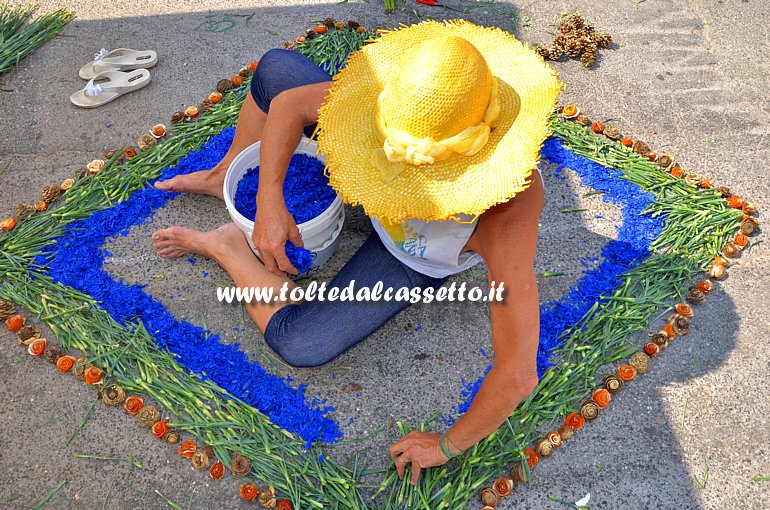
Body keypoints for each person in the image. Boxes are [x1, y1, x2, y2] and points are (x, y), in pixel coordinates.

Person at [152, 20, 559, 484]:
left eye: (417, 183)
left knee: (301, 343)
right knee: (277, 70)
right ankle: (220, 173)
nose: (398, 183)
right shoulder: (402, 104)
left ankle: (227, 247)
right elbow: (288, 102)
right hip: (372, 183)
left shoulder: (508, 211)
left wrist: (448, 444)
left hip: (411, 255)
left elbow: (517, 374)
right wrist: (269, 197)